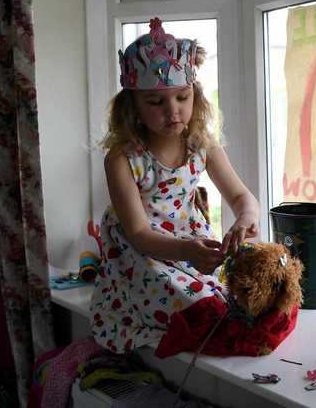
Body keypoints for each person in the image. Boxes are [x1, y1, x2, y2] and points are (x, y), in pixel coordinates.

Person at [90, 18, 259, 353]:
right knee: (194, 306)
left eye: (182, 97)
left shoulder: (202, 143)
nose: (173, 111)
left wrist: (245, 218)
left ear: (194, 95)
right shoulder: (122, 158)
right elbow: (138, 233)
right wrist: (185, 252)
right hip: (142, 251)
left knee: (235, 296)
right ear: (133, 106)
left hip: (189, 241)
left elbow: (241, 196)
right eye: (156, 102)